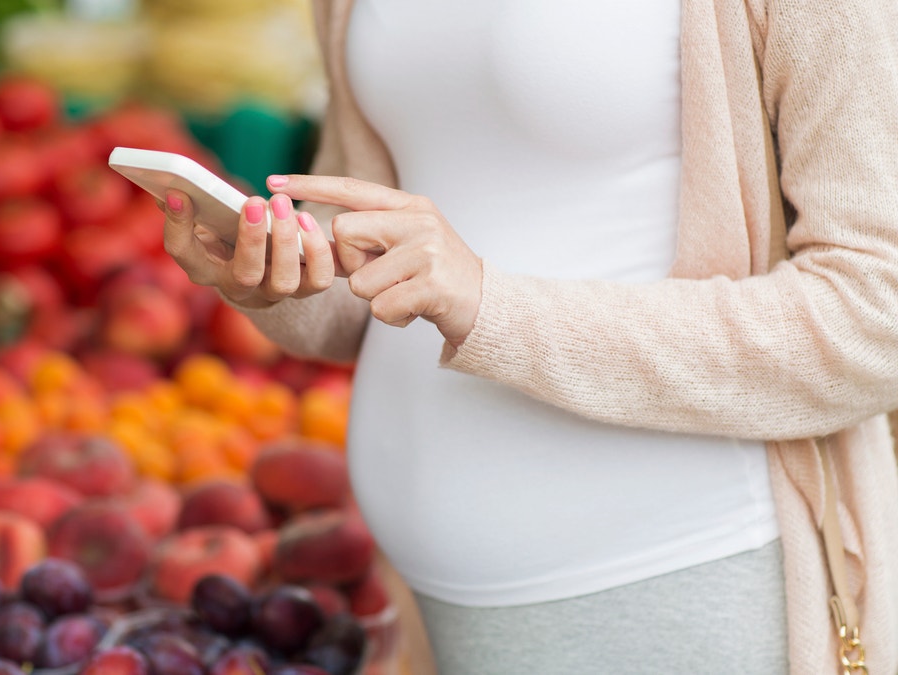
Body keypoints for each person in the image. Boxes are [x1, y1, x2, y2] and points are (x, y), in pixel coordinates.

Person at [156, 1, 898, 672]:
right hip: (436, 596)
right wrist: (272, 274)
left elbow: (876, 313)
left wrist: (494, 305)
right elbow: (367, 262)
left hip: (676, 570)